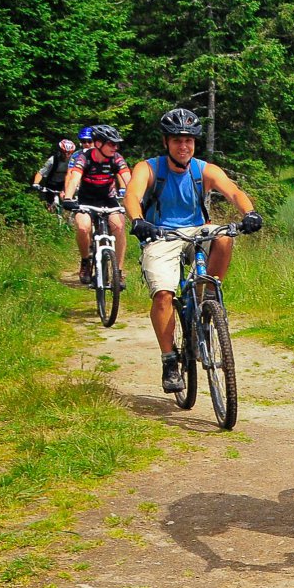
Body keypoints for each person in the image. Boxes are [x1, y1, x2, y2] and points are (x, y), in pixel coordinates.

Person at [122, 107, 263, 393]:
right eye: (177, 140)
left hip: (198, 229)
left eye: (189, 140)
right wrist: (138, 221)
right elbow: (132, 195)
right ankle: (169, 359)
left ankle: (208, 293)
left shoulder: (204, 170)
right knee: (163, 294)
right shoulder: (149, 168)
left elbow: (233, 191)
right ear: (166, 143)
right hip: (161, 233)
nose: (184, 146)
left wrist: (250, 213)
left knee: (224, 236)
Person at [59, 125, 131, 285]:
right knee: (83, 227)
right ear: (98, 144)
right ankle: (86, 261)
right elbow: (74, 178)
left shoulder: (117, 158)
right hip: (87, 201)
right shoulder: (84, 158)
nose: (115, 147)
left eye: (117, 144)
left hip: (108, 200)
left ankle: (118, 272)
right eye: (111, 144)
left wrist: (136, 197)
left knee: (119, 227)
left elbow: (127, 178)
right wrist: (69, 197)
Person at [32, 138, 76, 204]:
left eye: (69, 153)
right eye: (64, 153)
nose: (66, 155)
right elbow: (41, 172)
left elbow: (76, 175)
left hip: (64, 183)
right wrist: (36, 183)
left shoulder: (73, 161)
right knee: (49, 202)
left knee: (67, 201)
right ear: (60, 151)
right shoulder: (53, 159)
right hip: (51, 183)